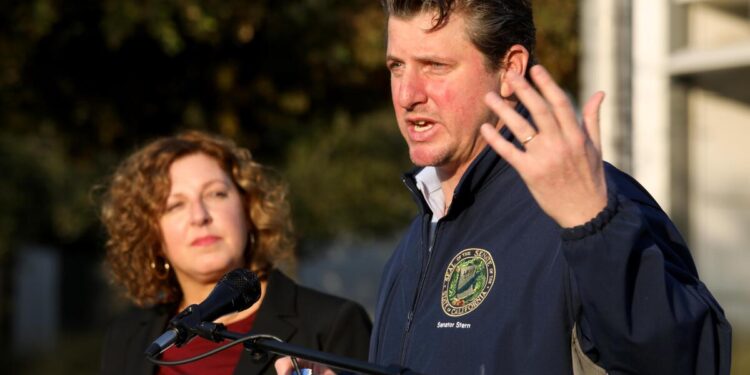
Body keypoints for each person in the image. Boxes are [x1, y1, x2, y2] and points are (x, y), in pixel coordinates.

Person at [362, 0, 733, 374]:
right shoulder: (421, 233)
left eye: (435, 66)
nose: (408, 94)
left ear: (510, 70)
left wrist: (594, 227)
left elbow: (684, 362)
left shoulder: (594, 207)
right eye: (397, 66)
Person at [98, 131, 372, 375]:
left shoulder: (332, 323)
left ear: (248, 208)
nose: (200, 216)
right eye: (175, 205)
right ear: (153, 236)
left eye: (216, 194)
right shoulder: (127, 338)